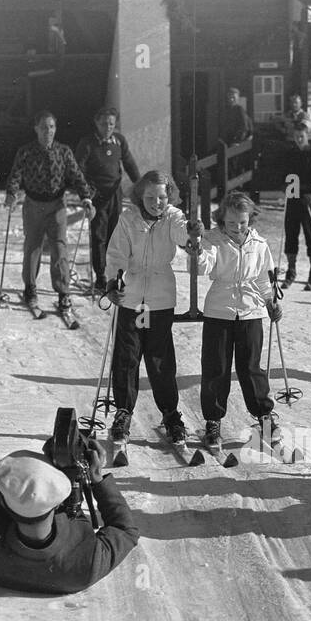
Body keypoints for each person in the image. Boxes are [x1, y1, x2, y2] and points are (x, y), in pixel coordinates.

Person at [0, 439, 138, 594]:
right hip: (19, 568)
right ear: (59, 504)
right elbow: (126, 530)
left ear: (3, 505)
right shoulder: (87, 565)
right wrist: (97, 479)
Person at [104, 170, 195, 446]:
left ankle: (170, 413)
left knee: (160, 359)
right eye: (150, 197)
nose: (157, 203)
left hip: (159, 298)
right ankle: (123, 411)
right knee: (127, 356)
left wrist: (191, 233)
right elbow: (117, 253)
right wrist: (114, 282)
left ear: (170, 197)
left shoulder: (173, 217)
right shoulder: (128, 218)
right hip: (131, 296)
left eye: (162, 197)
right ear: (140, 197)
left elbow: (182, 233)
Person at [194, 191, 281, 450]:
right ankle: (213, 421)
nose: (237, 227)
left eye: (242, 222)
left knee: (251, 368)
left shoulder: (259, 243)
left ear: (250, 219)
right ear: (222, 219)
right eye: (231, 222)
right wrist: (196, 249)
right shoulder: (213, 239)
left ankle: (264, 417)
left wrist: (270, 301)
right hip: (219, 311)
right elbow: (203, 267)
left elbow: (264, 278)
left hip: (251, 311)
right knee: (216, 367)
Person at [5, 110, 93, 314]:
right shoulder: (25, 152)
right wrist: (11, 193)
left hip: (57, 205)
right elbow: (15, 175)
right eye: (44, 127)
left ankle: (63, 292)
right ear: (36, 129)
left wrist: (86, 197)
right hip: (34, 205)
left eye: (52, 127)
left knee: (59, 248)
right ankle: (30, 288)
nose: (48, 131)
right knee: (33, 247)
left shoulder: (64, 151)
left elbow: (77, 175)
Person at [74, 105, 141, 292]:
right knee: (99, 236)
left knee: (115, 235)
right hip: (97, 194)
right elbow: (79, 170)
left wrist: (140, 185)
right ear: (96, 123)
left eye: (111, 124)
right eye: (104, 124)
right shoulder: (87, 143)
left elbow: (129, 163)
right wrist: (86, 192)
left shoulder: (119, 141)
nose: (108, 127)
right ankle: (100, 276)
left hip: (114, 194)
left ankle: (115, 274)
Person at [280, 124, 311, 289]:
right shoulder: (290, 153)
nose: (299, 139)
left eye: (301, 136)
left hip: (307, 199)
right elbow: (283, 174)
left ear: (307, 135)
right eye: (296, 136)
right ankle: (291, 270)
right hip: (293, 197)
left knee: (310, 235)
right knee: (291, 233)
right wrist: (284, 187)